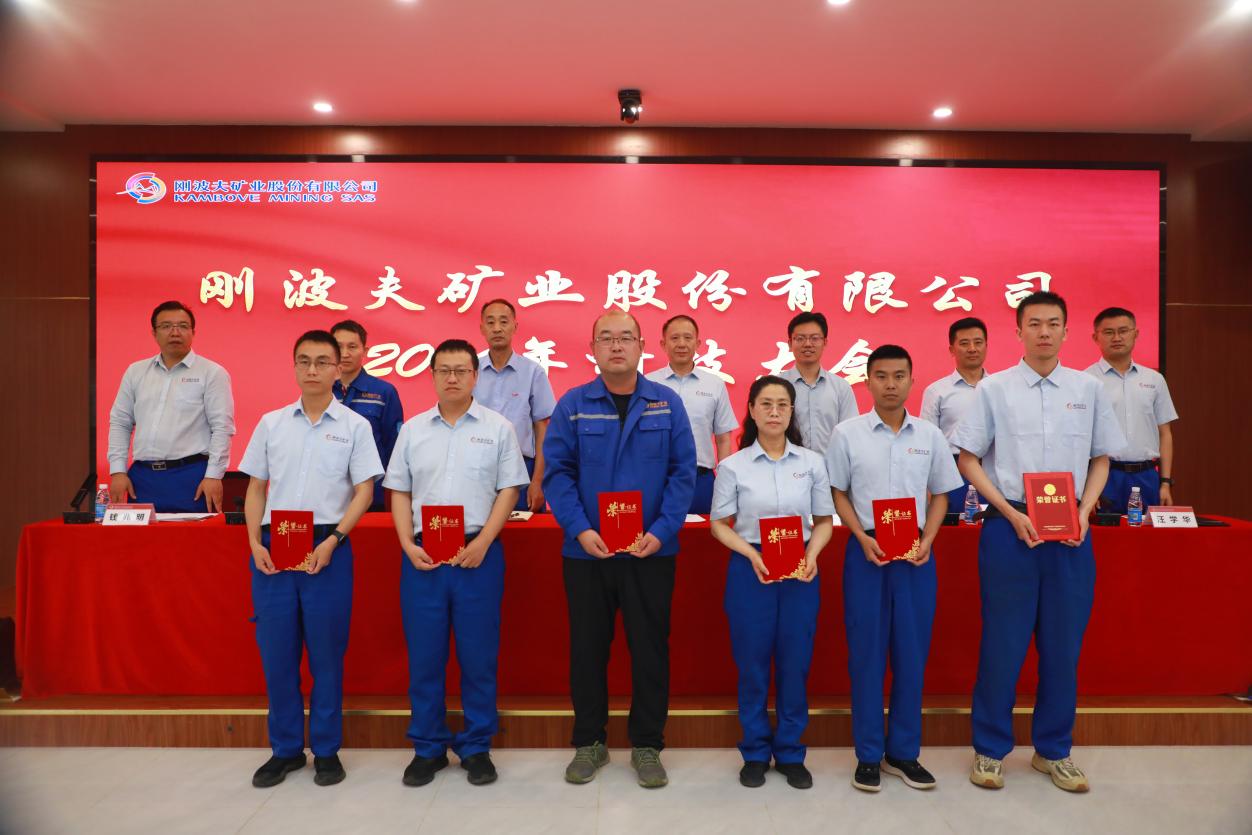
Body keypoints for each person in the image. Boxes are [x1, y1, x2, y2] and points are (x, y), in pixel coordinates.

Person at [953, 292, 1124, 794]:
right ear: (1019, 331)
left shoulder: (1088, 389)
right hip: (1011, 528)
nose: (1044, 332)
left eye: (1053, 323)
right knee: (1002, 644)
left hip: (1071, 533)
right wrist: (1008, 512)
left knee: (1063, 647)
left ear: (1067, 331)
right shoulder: (995, 389)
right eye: (1034, 324)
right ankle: (990, 749)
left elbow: (1100, 458)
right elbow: (968, 458)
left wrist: (1085, 511)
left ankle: (1053, 750)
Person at [543, 310, 697, 789]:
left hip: (650, 552)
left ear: (642, 346)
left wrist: (663, 530)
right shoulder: (573, 404)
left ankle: (647, 744)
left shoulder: (667, 404)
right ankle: (590, 741)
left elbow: (683, 473)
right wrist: (579, 529)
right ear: (592, 348)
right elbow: (557, 474)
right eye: (606, 338)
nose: (616, 346)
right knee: (588, 650)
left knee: (649, 650)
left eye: (625, 337)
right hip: (588, 553)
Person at [240, 330, 383, 789]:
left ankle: (325, 750)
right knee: (277, 656)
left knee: (326, 656)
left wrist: (335, 538)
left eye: (323, 361)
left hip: (327, 547)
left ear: (338, 368)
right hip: (274, 546)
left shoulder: (355, 426)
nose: (313, 370)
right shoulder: (272, 423)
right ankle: (284, 750)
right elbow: (256, 487)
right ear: (294, 366)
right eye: (304, 361)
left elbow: (364, 491)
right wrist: (254, 542)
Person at [384, 338, 529, 788]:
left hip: (477, 555)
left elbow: (509, 489)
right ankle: (427, 747)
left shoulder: (499, 428)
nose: (452, 378)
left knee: (478, 656)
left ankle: (476, 746)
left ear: (475, 376)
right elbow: (399, 490)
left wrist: (484, 540)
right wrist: (406, 543)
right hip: (423, 557)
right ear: (431, 376)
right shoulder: (413, 430)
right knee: (425, 657)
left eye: (461, 370)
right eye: (443, 370)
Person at [826, 345, 962, 793]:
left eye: (898, 376)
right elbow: (837, 492)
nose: (890, 384)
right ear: (867, 381)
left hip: (915, 556)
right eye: (881, 376)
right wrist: (860, 535)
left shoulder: (930, 435)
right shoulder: (847, 434)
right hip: (866, 552)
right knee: (866, 655)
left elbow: (941, 494)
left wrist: (929, 540)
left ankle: (903, 752)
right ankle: (868, 754)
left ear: (911, 380)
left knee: (911, 654)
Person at [709, 375, 833, 791]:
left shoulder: (811, 463)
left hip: (799, 569)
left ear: (792, 411)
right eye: (766, 404)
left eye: (783, 404)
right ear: (752, 410)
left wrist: (812, 556)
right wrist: (751, 554)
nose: (775, 411)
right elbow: (719, 524)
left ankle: (792, 752)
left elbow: (823, 521)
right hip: (752, 568)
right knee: (753, 664)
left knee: (795, 663)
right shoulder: (734, 465)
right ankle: (756, 752)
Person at [107, 300, 235, 512]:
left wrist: (214, 475)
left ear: (193, 332)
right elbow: (120, 422)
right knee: (138, 534)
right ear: (154, 333)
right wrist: (118, 471)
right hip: (141, 477)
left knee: (190, 534)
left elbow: (222, 428)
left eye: (183, 326)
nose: (175, 332)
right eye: (166, 326)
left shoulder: (212, 373)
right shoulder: (135, 372)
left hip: (191, 476)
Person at [1084, 306, 1179, 509]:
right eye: (1109, 332)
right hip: (1104, 476)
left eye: (1123, 331)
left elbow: (1165, 434)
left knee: (1146, 531)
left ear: (1135, 334)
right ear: (1095, 338)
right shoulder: (1085, 380)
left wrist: (1165, 482)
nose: (1117, 338)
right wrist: (1085, 486)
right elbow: (1079, 438)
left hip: (1147, 476)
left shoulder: (1154, 379)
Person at [645, 314, 738, 514]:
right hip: (657, 478)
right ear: (663, 344)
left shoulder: (714, 384)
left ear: (698, 343)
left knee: (703, 533)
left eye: (687, 338)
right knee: (655, 532)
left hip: (701, 480)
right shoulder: (647, 384)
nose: (681, 344)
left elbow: (723, 440)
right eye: (674, 338)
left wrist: (724, 482)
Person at [474, 299, 557, 512]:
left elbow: (542, 429)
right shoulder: (470, 372)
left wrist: (537, 481)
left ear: (515, 326)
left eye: (504, 321)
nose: (497, 328)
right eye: (490, 322)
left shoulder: (532, 372)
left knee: (522, 531)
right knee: (477, 529)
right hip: (476, 469)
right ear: (482, 328)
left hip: (521, 469)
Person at [331, 320, 404, 511]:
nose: (345, 353)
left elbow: (393, 447)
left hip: (372, 497)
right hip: (327, 495)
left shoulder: (384, 392)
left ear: (365, 350)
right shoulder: (320, 391)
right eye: (338, 347)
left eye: (352, 347)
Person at [919, 317, 989, 513]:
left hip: (992, 473)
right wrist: (929, 486)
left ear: (986, 345)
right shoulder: (936, 391)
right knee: (952, 529)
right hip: (952, 475)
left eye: (978, 342)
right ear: (952, 349)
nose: (972, 349)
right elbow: (927, 443)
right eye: (964, 343)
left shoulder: (999, 388)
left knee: (991, 526)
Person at [779, 311, 858, 453]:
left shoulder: (841, 387)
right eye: (800, 338)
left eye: (814, 338)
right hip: (787, 464)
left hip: (830, 465)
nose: (807, 344)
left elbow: (851, 434)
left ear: (825, 342)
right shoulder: (777, 386)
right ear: (790, 343)